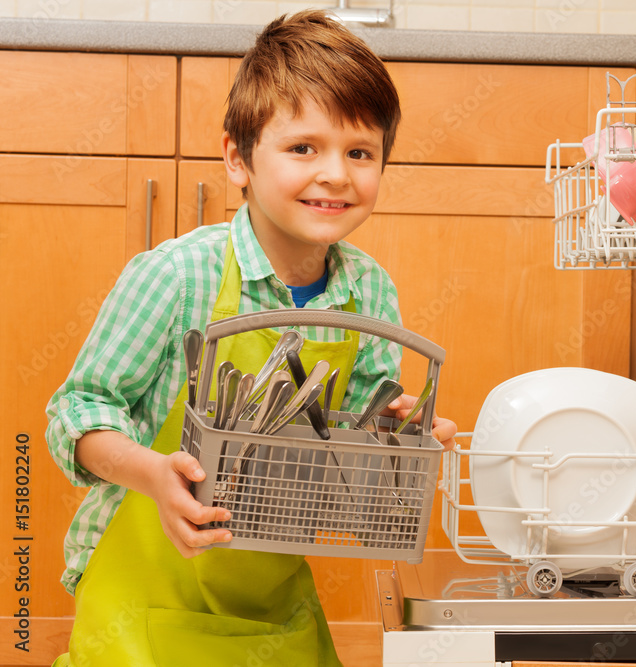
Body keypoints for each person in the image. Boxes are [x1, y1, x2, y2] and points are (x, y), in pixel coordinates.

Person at [46, 10, 456, 665]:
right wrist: (153, 474)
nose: (336, 174)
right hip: (144, 602)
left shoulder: (368, 293)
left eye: (360, 152)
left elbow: (355, 445)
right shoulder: (178, 275)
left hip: (270, 605)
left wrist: (399, 439)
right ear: (238, 158)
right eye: (303, 148)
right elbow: (76, 414)